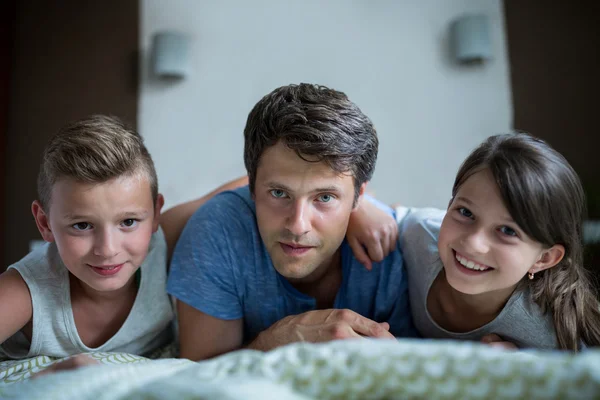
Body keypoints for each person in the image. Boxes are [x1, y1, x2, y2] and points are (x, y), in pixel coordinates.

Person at [167, 83, 416, 361]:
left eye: (324, 197)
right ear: (252, 188)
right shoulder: (217, 231)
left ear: (358, 197)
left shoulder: (388, 244)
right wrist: (276, 340)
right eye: (279, 193)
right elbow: (199, 377)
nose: (298, 226)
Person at [0, 115, 237, 360]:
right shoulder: (25, 291)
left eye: (128, 222)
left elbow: (248, 185)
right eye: (82, 225)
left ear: (155, 213)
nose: (108, 249)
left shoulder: (162, 240)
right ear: (44, 223)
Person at [395, 133, 600, 350]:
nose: (474, 243)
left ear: (544, 258)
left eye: (507, 231)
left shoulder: (549, 335)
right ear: (449, 207)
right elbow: (383, 213)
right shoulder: (422, 234)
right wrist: (365, 213)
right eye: (465, 212)